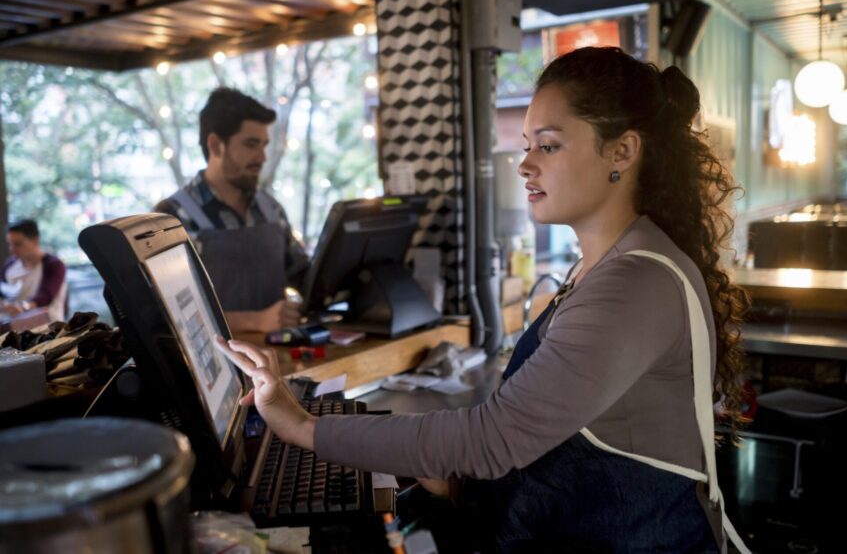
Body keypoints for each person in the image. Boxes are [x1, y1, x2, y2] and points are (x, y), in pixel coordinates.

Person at [216, 47, 751, 552]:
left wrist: (302, 427)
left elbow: (494, 439)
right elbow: (546, 441)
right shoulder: (607, 264)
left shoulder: (633, 283)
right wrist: (456, 479)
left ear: (622, 151)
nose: (525, 165)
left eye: (548, 144)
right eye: (526, 146)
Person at [155, 87, 309, 333]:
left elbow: (305, 278)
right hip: (212, 369)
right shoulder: (171, 218)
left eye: (264, 145)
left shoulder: (272, 210)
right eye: (251, 144)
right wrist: (255, 322)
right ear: (216, 145)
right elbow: (165, 315)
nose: (262, 157)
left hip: (278, 365)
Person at [1, 219, 67, 322]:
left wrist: (23, 307)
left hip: (48, 327)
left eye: (17, 244)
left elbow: (45, 296)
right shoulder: (9, 265)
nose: (12, 249)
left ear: (35, 241)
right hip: (14, 327)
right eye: (10, 244)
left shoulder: (53, 265)